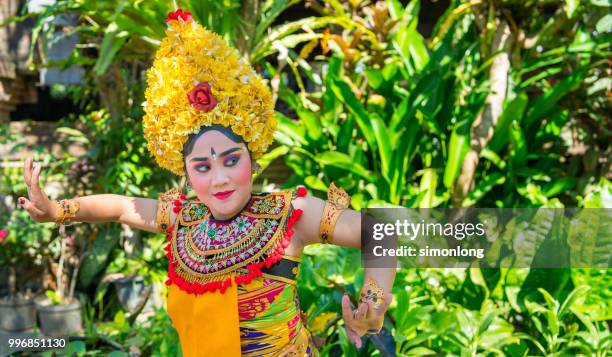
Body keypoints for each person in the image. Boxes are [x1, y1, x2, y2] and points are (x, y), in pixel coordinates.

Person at [18, 8, 395, 357]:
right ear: (184, 172)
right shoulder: (186, 218)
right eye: (201, 167)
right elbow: (118, 208)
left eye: (231, 160)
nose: (219, 179)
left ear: (254, 158)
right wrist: (56, 210)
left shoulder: (289, 214)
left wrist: (374, 304)